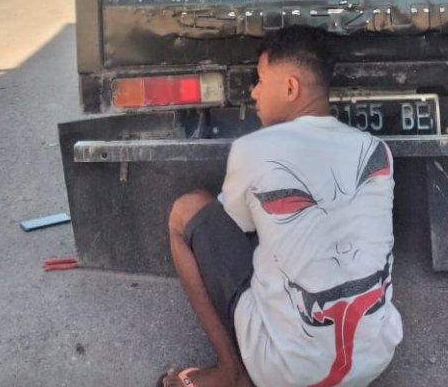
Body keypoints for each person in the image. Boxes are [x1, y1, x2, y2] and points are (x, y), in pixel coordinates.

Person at [160, 25, 403, 387]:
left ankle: (232, 372)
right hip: (376, 360)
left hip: (283, 373)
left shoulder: (254, 149)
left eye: (260, 80)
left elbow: (230, 234)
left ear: (290, 88)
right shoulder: (374, 149)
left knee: (187, 210)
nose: (254, 92)